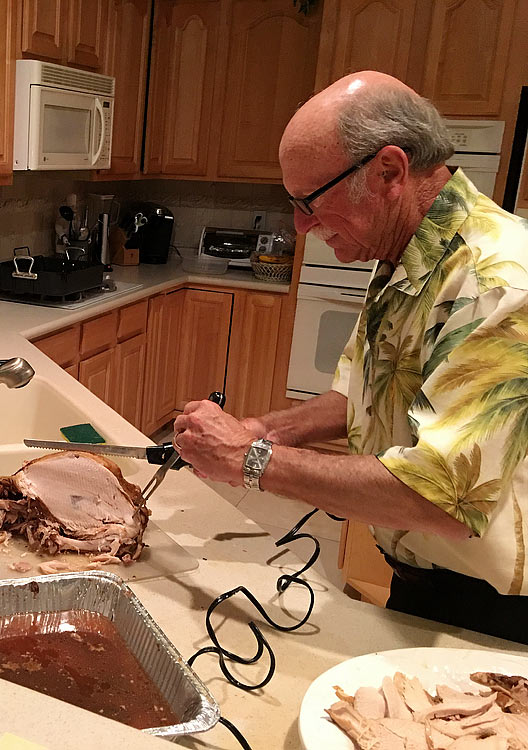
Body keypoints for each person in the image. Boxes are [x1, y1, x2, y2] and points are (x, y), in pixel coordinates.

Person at [172, 71, 528, 643]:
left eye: (308, 202)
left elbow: (440, 498)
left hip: (496, 612)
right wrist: (264, 428)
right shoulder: (405, 253)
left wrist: (249, 459)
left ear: (389, 171)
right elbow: (362, 396)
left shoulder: (499, 284)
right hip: (426, 578)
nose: (301, 226)